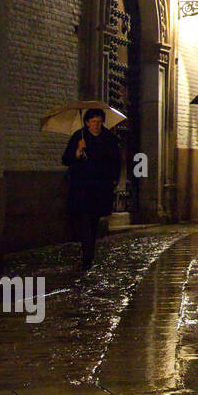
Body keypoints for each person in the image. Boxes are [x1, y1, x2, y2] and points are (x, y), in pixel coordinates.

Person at [61, 108, 122, 272]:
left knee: (92, 221)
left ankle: (88, 253)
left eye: (100, 121)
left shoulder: (108, 138)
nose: (97, 125)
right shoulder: (79, 137)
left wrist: (114, 179)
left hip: (100, 187)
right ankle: (87, 256)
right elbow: (66, 159)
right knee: (85, 220)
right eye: (94, 121)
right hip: (82, 187)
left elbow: (116, 160)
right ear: (87, 122)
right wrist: (78, 151)